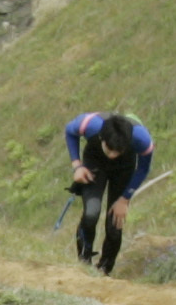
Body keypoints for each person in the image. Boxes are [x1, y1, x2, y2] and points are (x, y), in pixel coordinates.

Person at [61, 110, 155, 275]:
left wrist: (125, 199)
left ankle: (105, 270)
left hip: (124, 169)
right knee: (91, 213)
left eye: (117, 151)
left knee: (114, 223)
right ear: (102, 138)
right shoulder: (89, 124)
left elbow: (143, 168)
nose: (112, 155)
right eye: (109, 149)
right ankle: (84, 263)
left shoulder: (142, 139)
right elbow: (70, 131)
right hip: (95, 162)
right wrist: (77, 166)